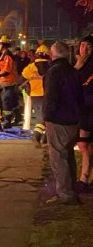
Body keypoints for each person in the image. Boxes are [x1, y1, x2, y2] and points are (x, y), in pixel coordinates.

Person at [43, 42, 83, 205]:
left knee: (58, 156)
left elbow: (51, 97)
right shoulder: (73, 71)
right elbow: (80, 96)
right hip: (73, 120)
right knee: (68, 156)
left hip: (58, 120)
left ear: (52, 55)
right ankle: (71, 188)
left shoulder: (53, 72)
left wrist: (46, 117)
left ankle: (65, 194)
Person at [21, 45, 50, 147]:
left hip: (35, 95)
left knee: (40, 117)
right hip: (48, 94)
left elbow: (23, 77)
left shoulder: (30, 67)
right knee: (47, 118)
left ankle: (42, 138)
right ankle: (39, 137)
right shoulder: (51, 66)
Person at [74, 35, 93, 191]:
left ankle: (84, 178)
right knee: (85, 144)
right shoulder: (80, 64)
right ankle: (85, 178)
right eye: (82, 45)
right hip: (84, 110)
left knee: (83, 143)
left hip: (89, 110)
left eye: (88, 46)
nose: (84, 49)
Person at [0, 35, 18, 128]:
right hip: (5, 82)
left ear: (3, 45)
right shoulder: (4, 55)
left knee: (6, 102)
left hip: (8, 81)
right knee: (9, 101)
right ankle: (13, 119)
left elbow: (7, 70)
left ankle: (7, 121)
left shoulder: (7, 55)